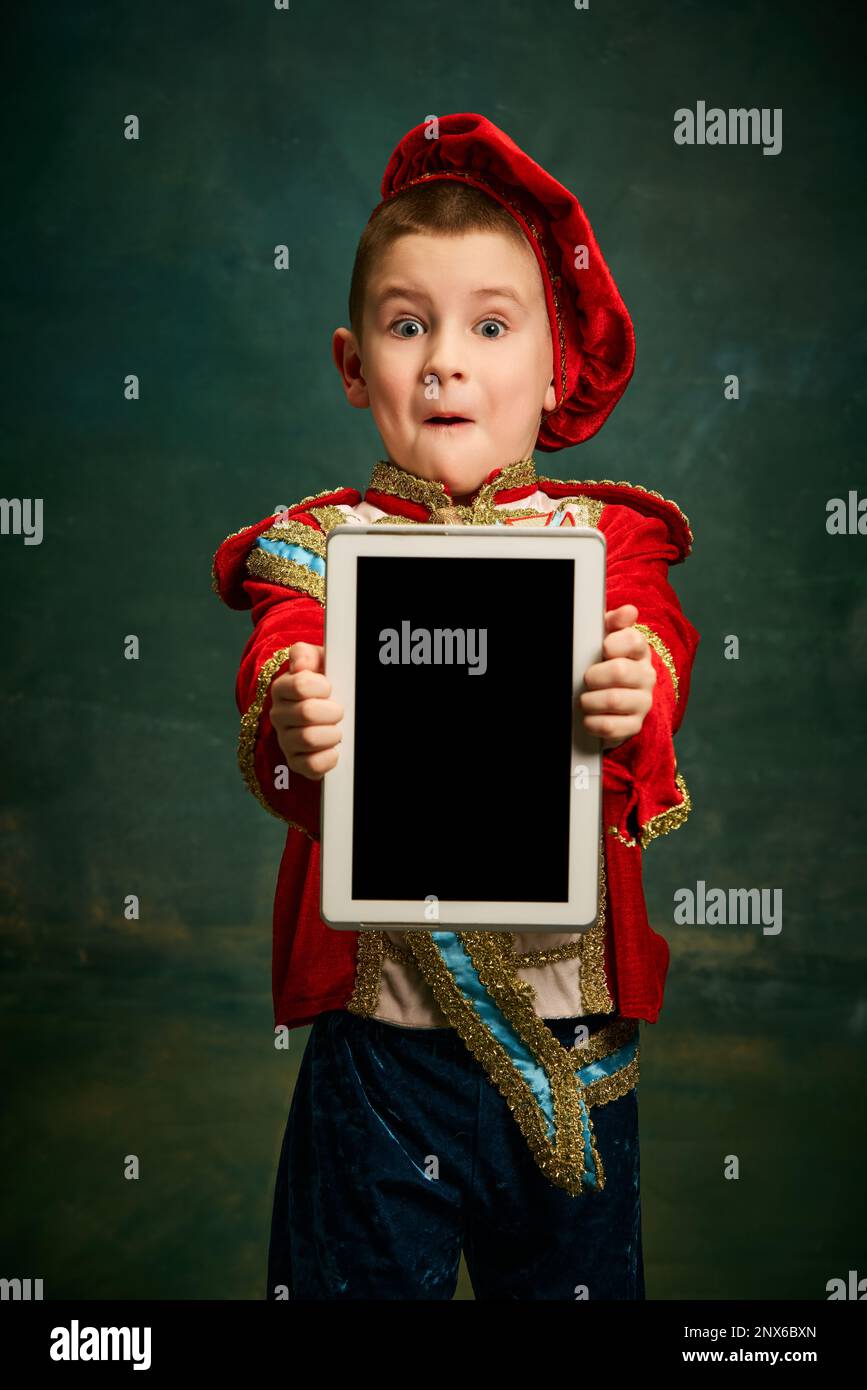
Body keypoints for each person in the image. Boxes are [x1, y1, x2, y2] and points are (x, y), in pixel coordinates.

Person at [211, 113, 700, 1299]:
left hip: (570, 1050)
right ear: (351, 363)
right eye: (406, 324)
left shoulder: (609, 546)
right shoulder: (317, 553)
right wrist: (293, 713)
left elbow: (660, 650)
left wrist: (636, 684)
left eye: (490, 325)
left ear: (553, 368)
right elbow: (280, 662)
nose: (445, 360)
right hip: (379, 1056)